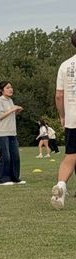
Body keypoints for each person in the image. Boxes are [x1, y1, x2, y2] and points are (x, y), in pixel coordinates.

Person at [51, 32, 76, 209]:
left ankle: (61, 185)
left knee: (71, 155)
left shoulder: (65, 65)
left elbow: (59, 95)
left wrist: (62, 115)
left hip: (72, 117)